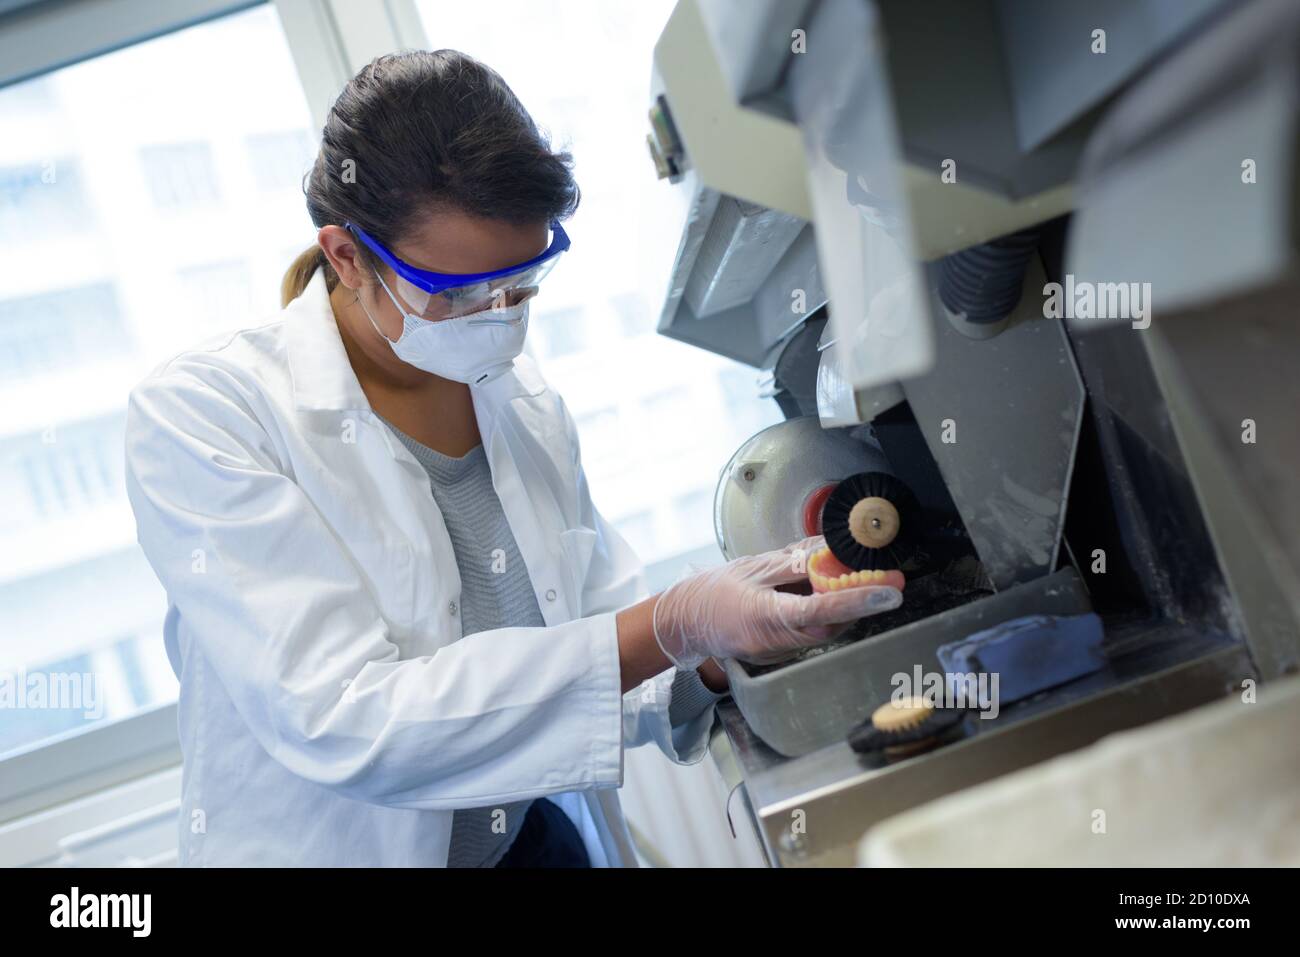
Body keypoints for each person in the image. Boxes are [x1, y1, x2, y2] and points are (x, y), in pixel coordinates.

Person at [123, 49, 902, 867]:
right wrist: (670, 620)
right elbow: (349, 720)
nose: (497, 318)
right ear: (348, 257)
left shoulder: (517, 399)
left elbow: (606, 645)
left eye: (521, 283)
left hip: (527, 846)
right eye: (459, 295)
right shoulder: (207, 415)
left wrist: (720, 646)